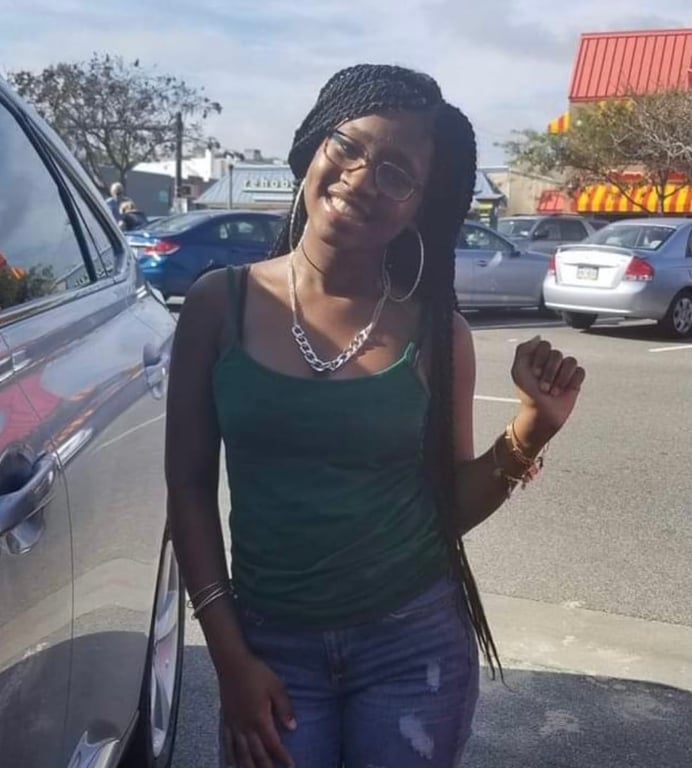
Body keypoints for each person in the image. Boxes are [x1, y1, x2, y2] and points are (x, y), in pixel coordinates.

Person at [165, 64, 586, 768]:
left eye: (396, 173)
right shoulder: (219, 304)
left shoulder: (437, 333)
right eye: (349, 147)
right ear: (313, 146)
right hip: (270, 643)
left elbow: (447, 506)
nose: (361, 178)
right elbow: (187, 487)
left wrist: (533, 427)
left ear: (421, 205)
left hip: (412, 647)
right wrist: (229, 659)